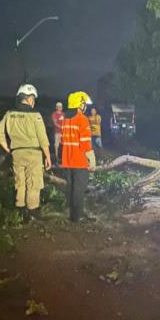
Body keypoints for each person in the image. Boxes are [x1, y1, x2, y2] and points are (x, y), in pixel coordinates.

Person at [0, 84, 52, 221]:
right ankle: (32, 211)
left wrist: (8, 149)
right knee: (33, 182)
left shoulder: (9, 114)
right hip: (33, 154)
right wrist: (48, 156)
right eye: (33, 99)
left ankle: (20, 211)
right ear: (30, 98)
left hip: (17, 154)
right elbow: (43, 138)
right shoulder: (36, 116)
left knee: (20, 182)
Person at [60, 91, 96, 222]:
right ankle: (78, 216)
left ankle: (72, 215)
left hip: (67, 160)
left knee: (71, 188)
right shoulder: (82, 119)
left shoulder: (65, 119)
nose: (85, 106)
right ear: (80, 104)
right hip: (79, 161)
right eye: (84, 104)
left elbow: (62, 140)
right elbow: (85, 143)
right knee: (79, 189)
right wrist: (92, 160)